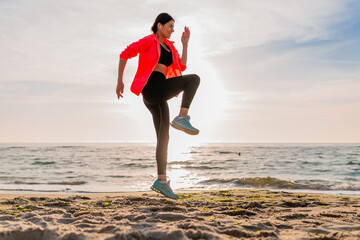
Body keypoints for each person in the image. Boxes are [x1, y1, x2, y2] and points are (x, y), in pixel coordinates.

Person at [116, 13, 200, 199]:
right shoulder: (149, 41)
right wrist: (119, 81)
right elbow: (125, 54)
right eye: (170, 26)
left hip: (159, 94)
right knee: (194, 80)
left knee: (164, 137)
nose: (172, 30)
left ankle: (161, 181)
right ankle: (182, 117)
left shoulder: (170, 47)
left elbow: (182, 66)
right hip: (152, 88)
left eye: (173, 27)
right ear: (160, 26)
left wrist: (185, 44)